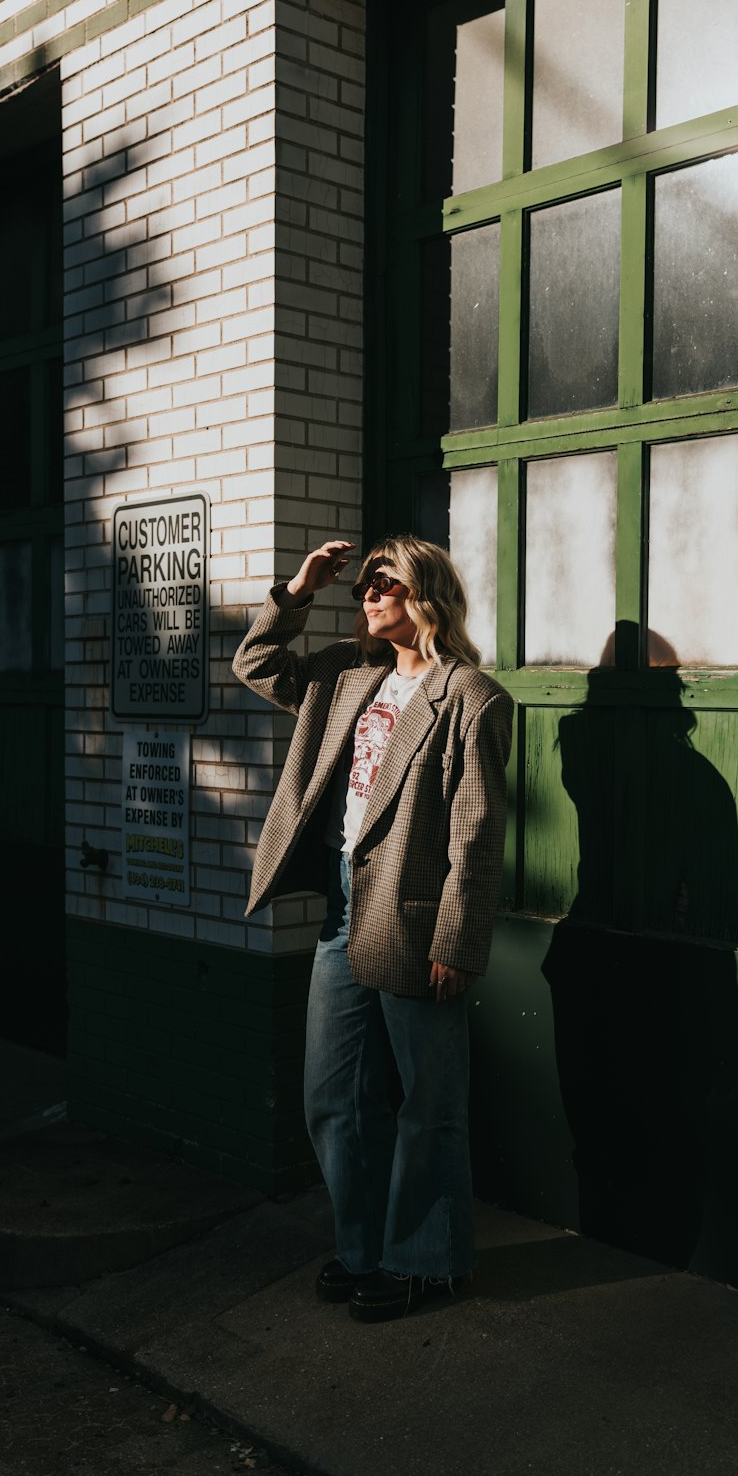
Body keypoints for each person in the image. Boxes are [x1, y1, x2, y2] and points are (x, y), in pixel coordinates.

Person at [232, 535, 512, 1321]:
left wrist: (457, 941)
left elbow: (476, 832)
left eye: (383, 581)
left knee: (429, 1100)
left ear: (423, 593)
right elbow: (253, 664)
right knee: (333, 1094)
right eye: (364, 583)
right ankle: (363, 1249)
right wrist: (298, 589)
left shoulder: (472, 697)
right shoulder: (343, 677)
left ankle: (427, 1260)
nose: (368, 592)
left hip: (414, 918)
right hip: (340, 909)